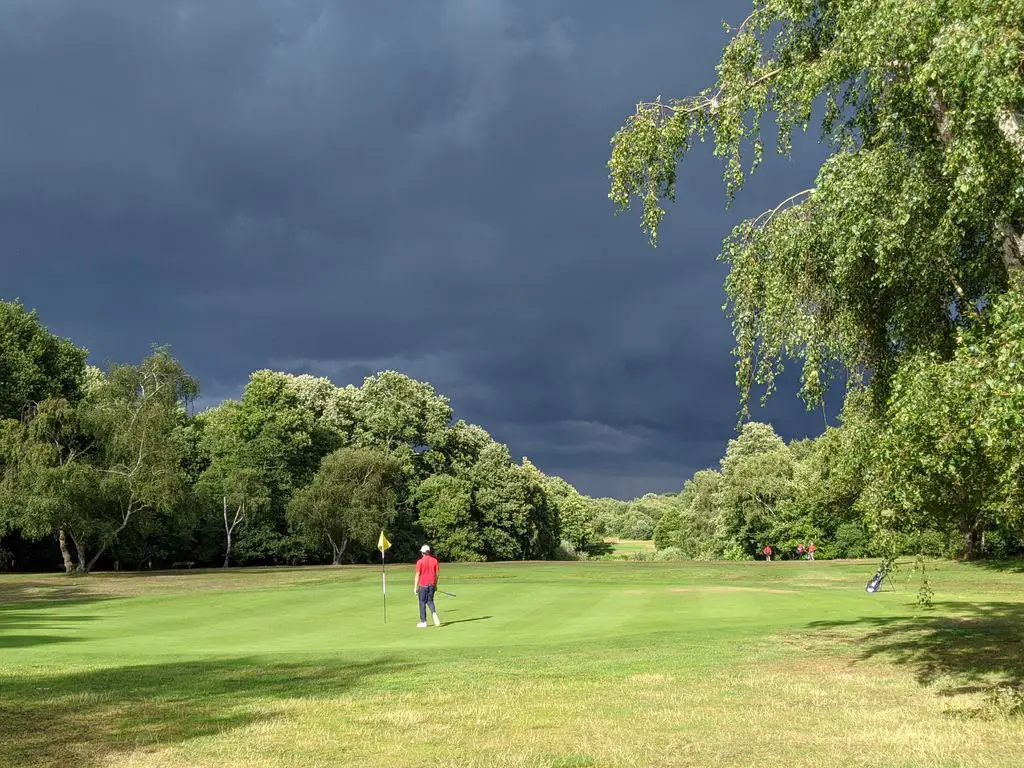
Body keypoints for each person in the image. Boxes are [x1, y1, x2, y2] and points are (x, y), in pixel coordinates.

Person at [414, 544, 441, 628]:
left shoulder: (420, 562)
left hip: (423, 585)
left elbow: (417, 575)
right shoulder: (435, 561)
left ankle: (423, 621)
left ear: (423, 552)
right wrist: (435, 585)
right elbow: (437, 575)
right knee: (430, 601)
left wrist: (415, 587)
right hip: (432, 584)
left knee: (422, 602)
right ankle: (434, 613)